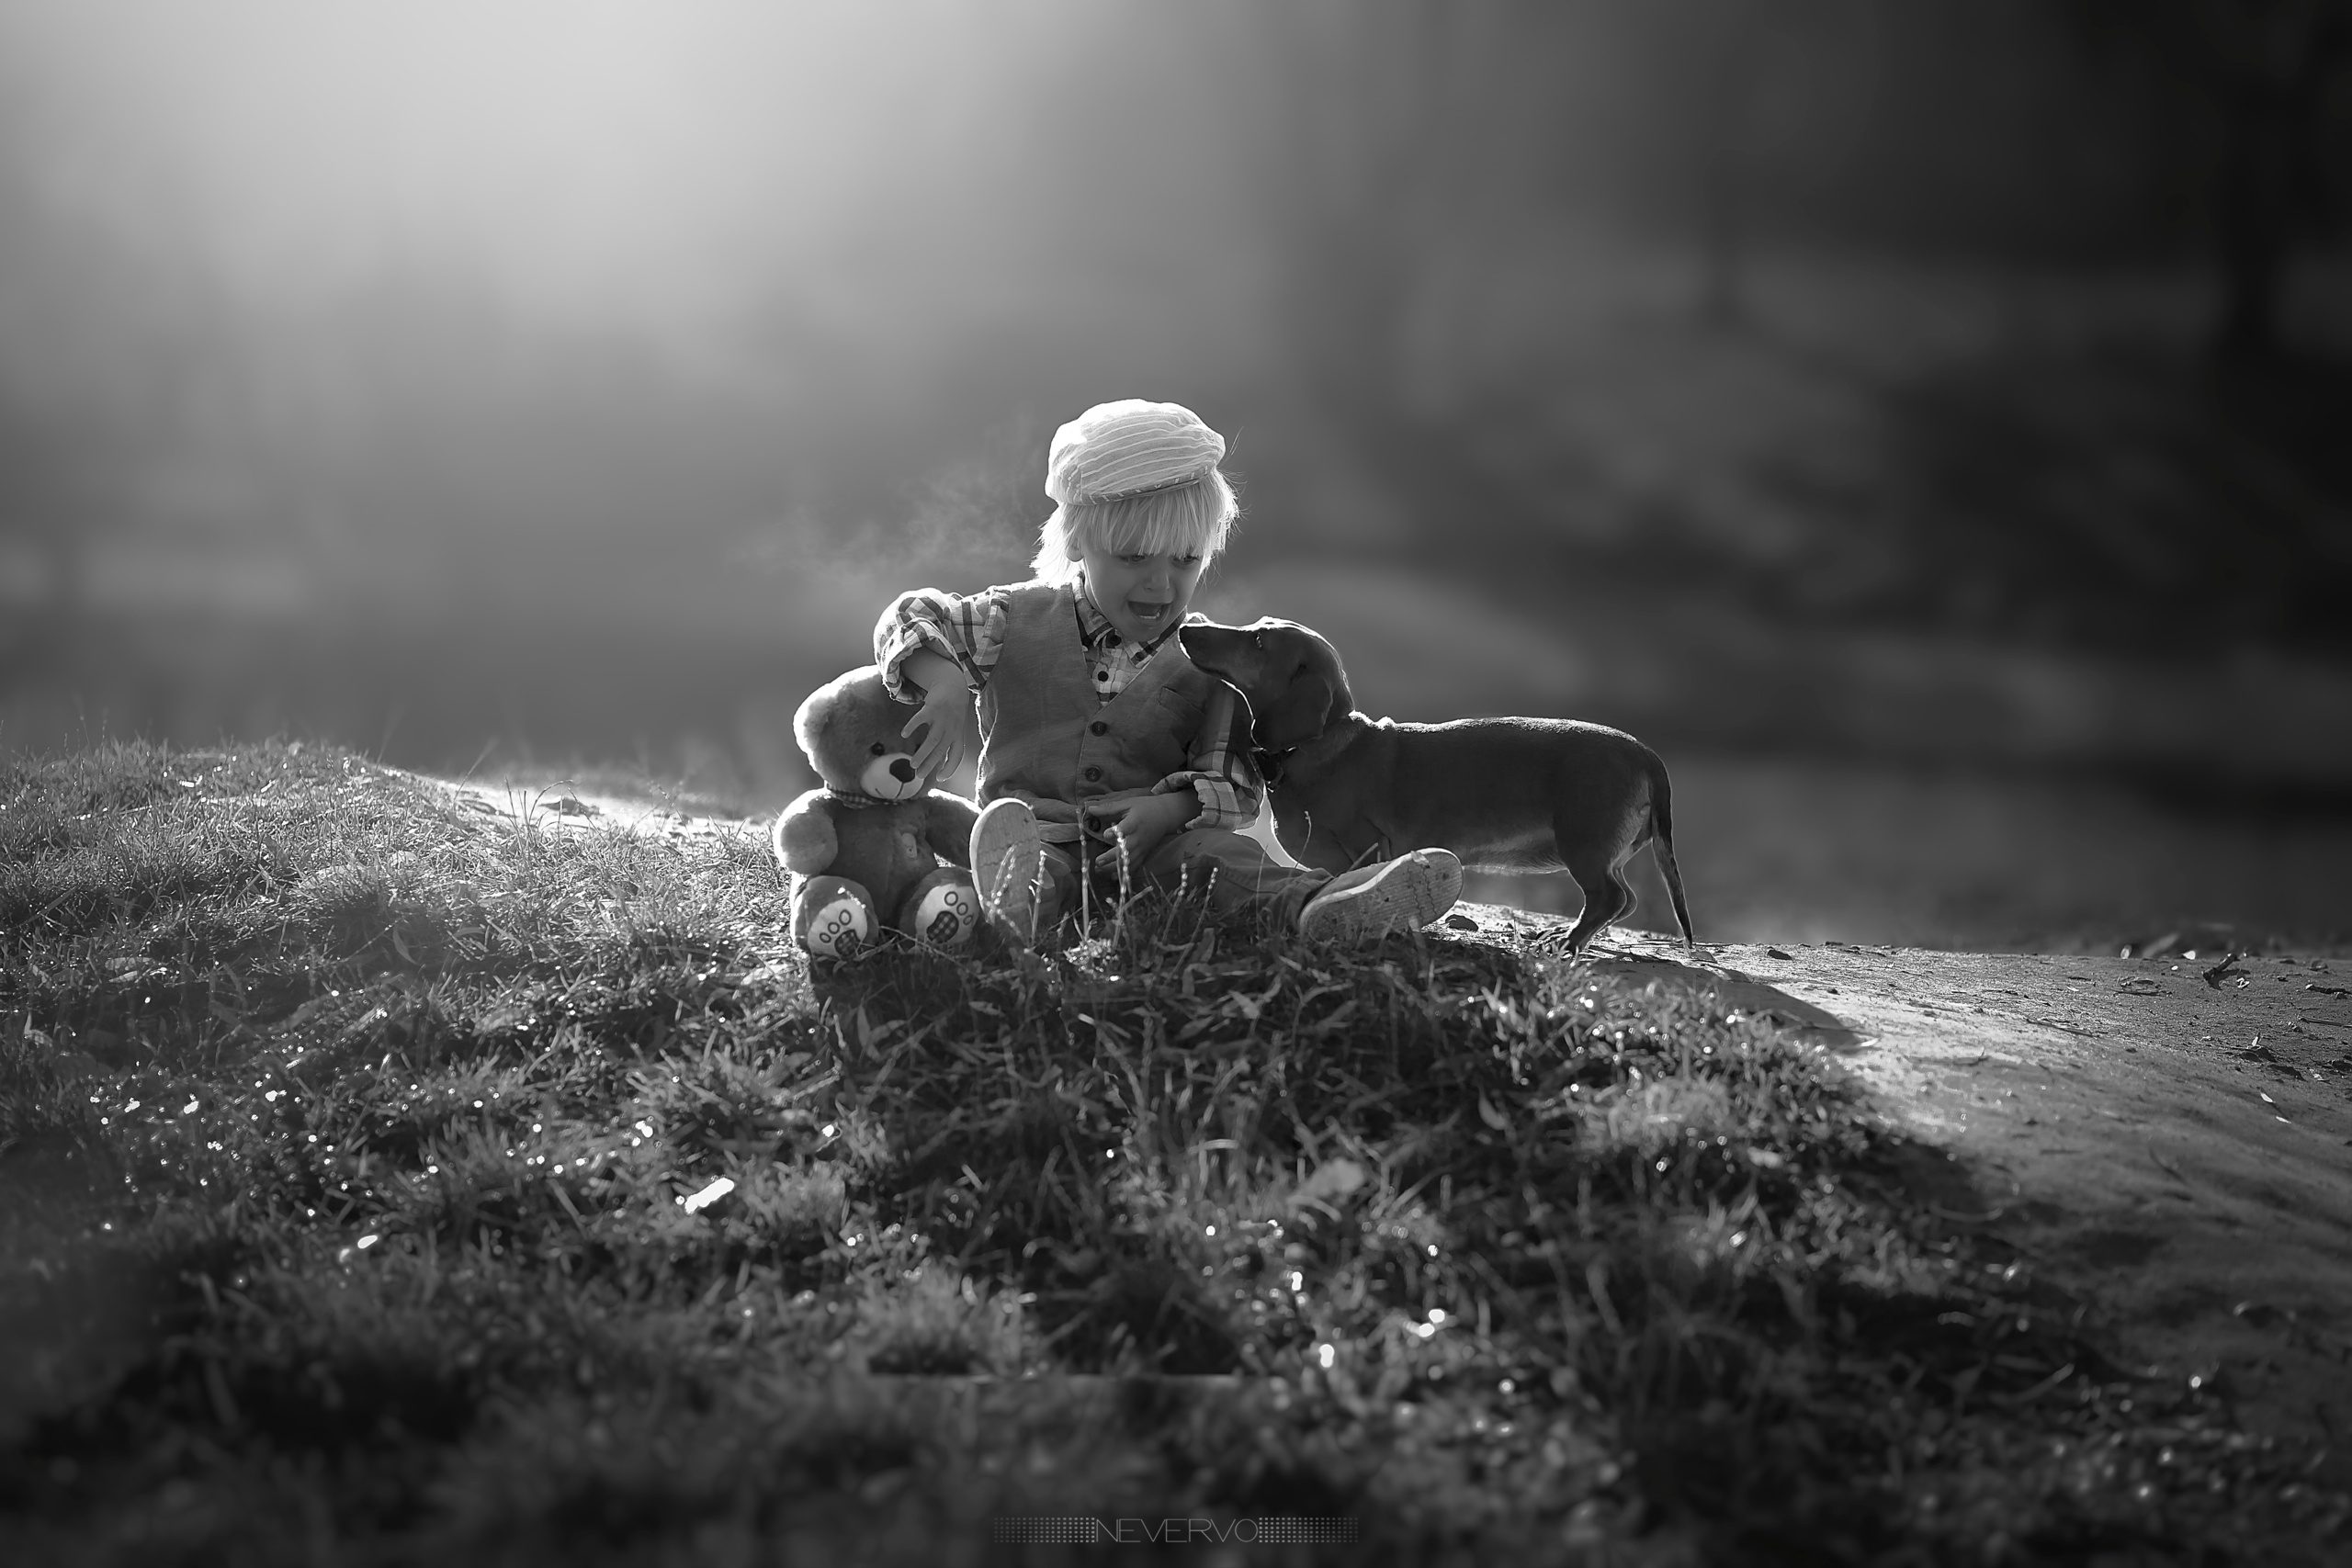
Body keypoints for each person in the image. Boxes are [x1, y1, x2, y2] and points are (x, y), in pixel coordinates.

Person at [874, 397, 1461, 948]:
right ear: (1078, 541)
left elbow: (1234, 781)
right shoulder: (1011, 619)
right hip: (1038, 834)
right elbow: (913, 617)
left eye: (1185, 560)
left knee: (1220, 858)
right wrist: (947, 683)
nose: (1160, 585)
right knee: (1027, 864)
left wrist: (1171, 811)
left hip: (1156, 853)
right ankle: (1013, 910)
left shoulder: (1210, 660)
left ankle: (1324, 907)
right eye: (1133, 559)